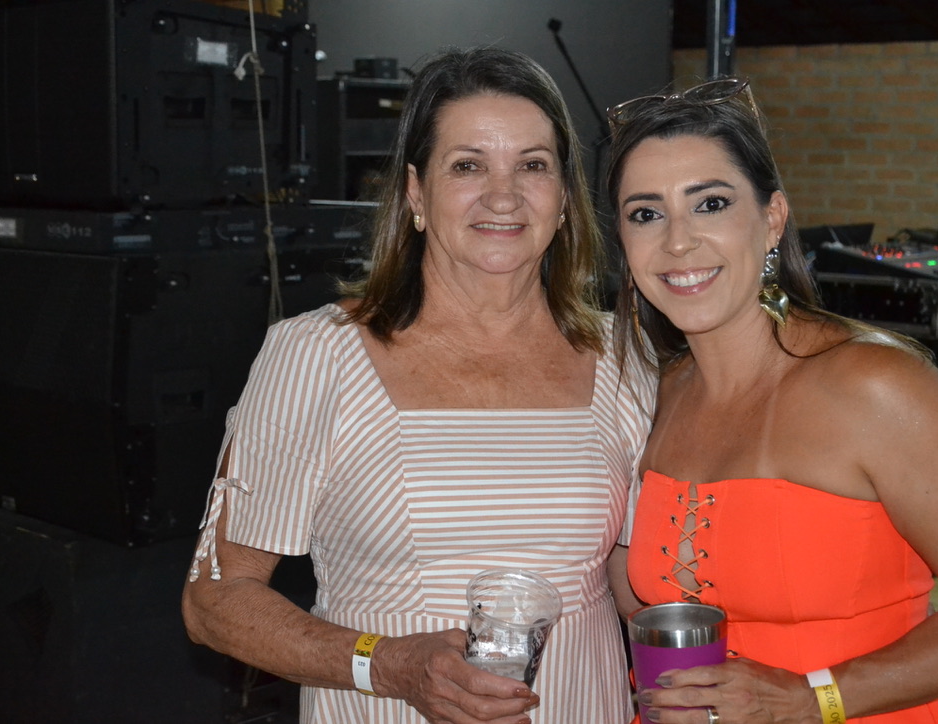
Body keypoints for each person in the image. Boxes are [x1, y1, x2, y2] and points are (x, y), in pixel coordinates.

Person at [181, 47, 655, 724]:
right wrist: (387, 663)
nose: (503, 195)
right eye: (467, 165)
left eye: (533, 165)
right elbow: (213, 601)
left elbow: (641, 581)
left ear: (564, 200)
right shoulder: (319, 354)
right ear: (415, 193)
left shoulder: (626, 357)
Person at [603, 76, 938, 724]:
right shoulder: (653, 395)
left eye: (710, 204)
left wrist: (810, 696)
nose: (678, 241)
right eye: (646, 213)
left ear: (771, 220)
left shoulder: (874, 387)